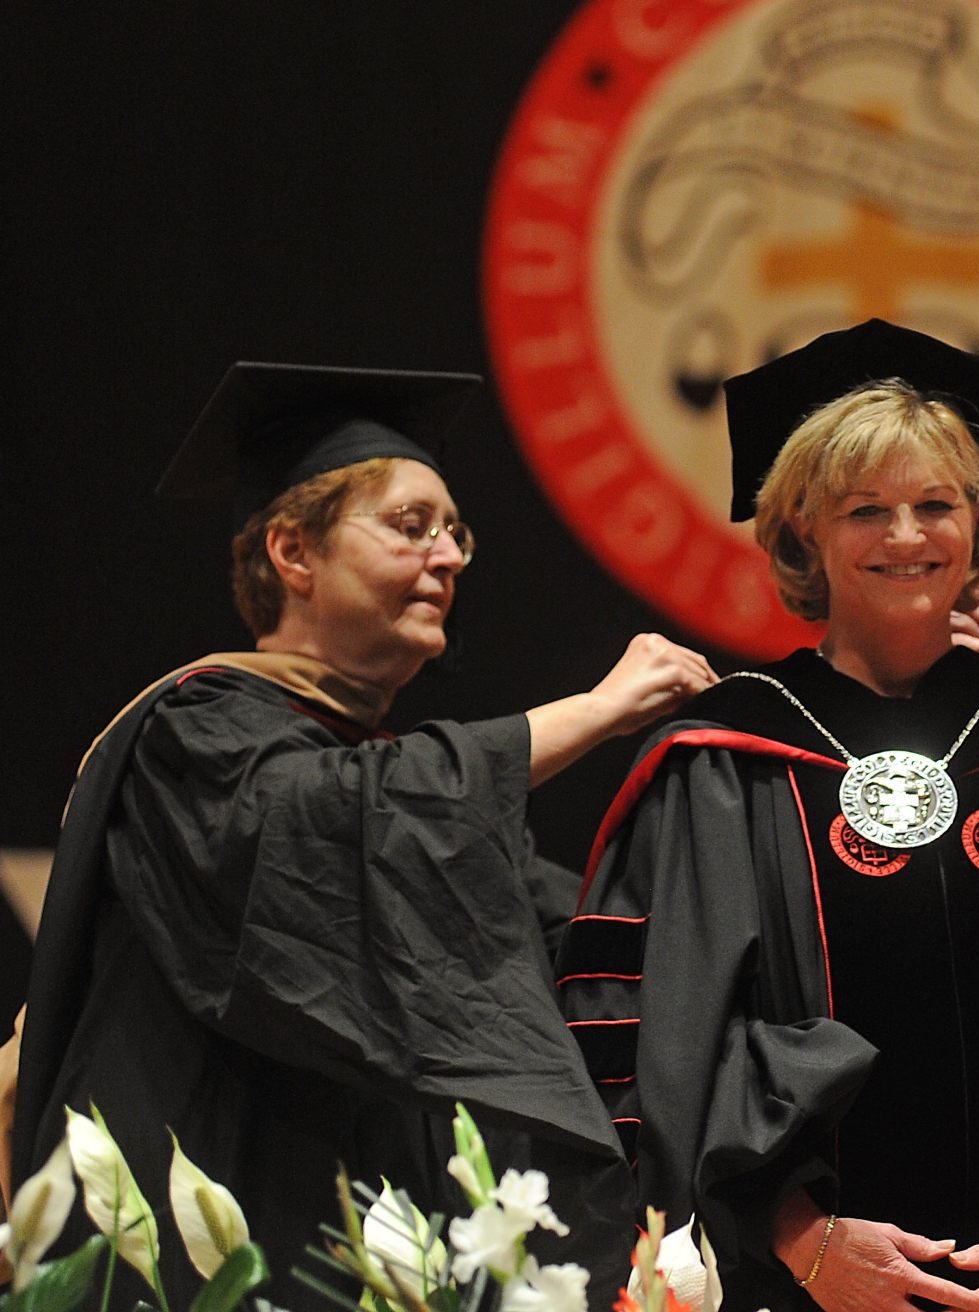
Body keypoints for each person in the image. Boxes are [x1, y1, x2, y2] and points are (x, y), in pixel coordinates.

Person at [7, 362, 718, 1307]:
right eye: (411, 526)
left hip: (369, 1249)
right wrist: (593, 711)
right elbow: (340, 818)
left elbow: (573, 936)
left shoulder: (392, 776)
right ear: (293, 553)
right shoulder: (197, 732)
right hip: (196, 1228)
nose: (452, 555)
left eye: (457, 532)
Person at [560, 321, 979, 1312]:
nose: (906, 536)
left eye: (936, 505)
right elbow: (671, 1037)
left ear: (978, 521)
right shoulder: (726, 762)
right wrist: (802, 1239)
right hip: (805, 1288)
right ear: (802, 529)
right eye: (865, 510)